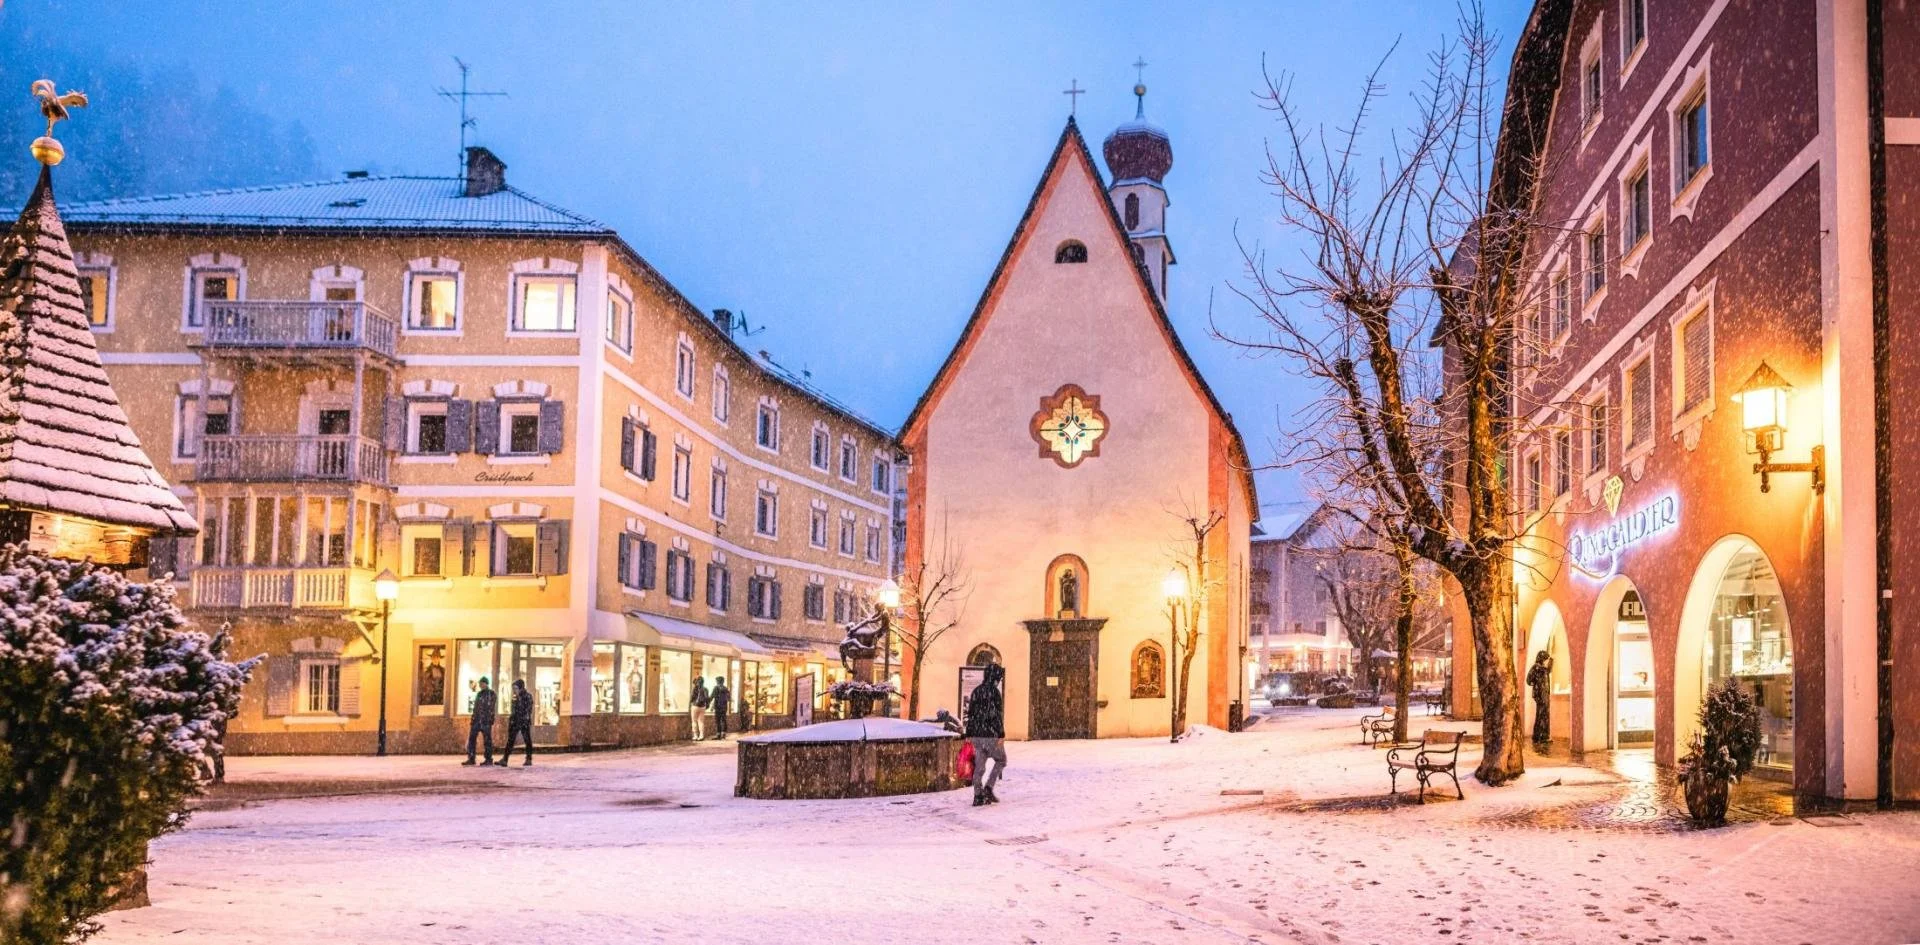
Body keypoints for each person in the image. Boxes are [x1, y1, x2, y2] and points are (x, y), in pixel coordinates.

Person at [963, 663, 1007, 806]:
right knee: (1001, 760)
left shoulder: (976, 691)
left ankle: (977, 795)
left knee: (979, 766)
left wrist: (969, 733)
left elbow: (971, 715)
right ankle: (988, 787)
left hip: (977, 735)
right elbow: (997, 715)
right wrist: (1001, 734)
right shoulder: (994, 692)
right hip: (991, 734)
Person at [500, 679, 535, 766]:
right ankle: (505, 759)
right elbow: (513, 710)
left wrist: (524, 719)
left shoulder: (527, 696)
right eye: (513, 689)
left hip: (523, 721)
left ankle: (529, 758)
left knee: (527, 740)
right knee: (510, 740)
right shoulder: (515, 697)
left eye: (516, 688)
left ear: (521, 688)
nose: (514, 690)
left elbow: (528, 710)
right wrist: (512, 720)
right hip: (515, 721)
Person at [464, 676, 497, 766]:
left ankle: (488, 758)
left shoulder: (491, 694)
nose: (480, 685)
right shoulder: (479, 694)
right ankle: (471, 757)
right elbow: (476, 708)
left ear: (486, 684)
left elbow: (491, 708)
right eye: (480, 683)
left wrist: (489, 719)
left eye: (482, 683)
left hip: (485, 721)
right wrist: (473, 718)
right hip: (477, 720)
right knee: (472, 738)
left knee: (487, 740)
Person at [1527, 650, 1553, 751]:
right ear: (1542, 658)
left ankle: (1540, 736)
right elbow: (1529, 680)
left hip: (1544, 695)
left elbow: (1548, 670)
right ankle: (1541, 736)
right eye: (1546, 659)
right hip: (1541, 696)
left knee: (1542, 715)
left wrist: (1552, 660)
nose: (1546, 661)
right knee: (1542, 715)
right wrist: (1537, 685)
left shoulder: (1542, 669)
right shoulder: (1537, 667)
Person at [710, 675, 732, 740]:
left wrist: (708, 703)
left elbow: (712, 697)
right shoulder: (725, 688)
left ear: (717, 681)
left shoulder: (716, 688)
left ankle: (718, 734)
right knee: (723, 720)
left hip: (718, 707)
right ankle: (723, 734)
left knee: (718, 721)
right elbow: (729, 699)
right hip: (724, 707)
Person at [690, 676, 711, 741]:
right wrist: (707, 705)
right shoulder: (706, 689)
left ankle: (695, 735)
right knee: (701, 721)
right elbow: (707, 698)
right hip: (702, 706)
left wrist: (691, 702)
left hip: (695, 706)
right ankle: (701, 735)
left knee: (694, 721)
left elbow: (692, 697)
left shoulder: (695, 688)